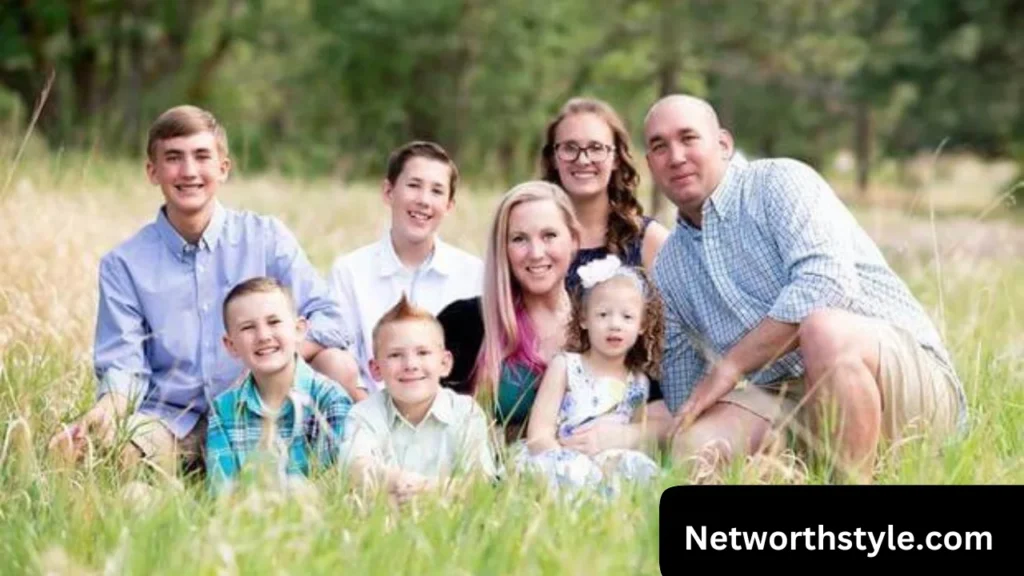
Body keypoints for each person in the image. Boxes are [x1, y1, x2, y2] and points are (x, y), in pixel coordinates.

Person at [642, 94, 967, 482]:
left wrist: (731, 367)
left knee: (824, 330)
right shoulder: (670, 267)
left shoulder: (779, 183)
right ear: (650, 165)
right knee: (695, 446)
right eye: (660, 146)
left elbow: (826, 285)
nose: (675, 156)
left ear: (724, 144)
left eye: (688, 138)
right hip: (794, 400)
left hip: (901, 383)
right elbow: (689, 393)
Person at [47, 105, 360, 478]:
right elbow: (125, 364)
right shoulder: (124, 265)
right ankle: (168, 484)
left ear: (223, 168)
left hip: (264, 406)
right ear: (153, 171)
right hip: (174, 417)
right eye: (174, 158)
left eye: (201, 156)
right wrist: (108, 408)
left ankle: (335, 467)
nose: (189, 171)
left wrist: (269, 356)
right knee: (115, 454)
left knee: (337, 364)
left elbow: (330, 317)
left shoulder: (266, 238)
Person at [437, 181, 670, 452]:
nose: (536, 253)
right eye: (519, 239)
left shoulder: (606, 321)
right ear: (503, 248)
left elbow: (664, 416)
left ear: (573, 240)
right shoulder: (465, 324)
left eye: (549, 236)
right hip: (498, 481)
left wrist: (625, 436)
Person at [328, 141, 483, 394]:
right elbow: (344, 359)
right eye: (413, 186)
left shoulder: (473, 273)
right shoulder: (350, 271)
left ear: (449, 205)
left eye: (436, 191)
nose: (423, 200)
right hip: (369, 414)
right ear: (388, 192)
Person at [514, 254, 664, 494]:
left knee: (642, 469)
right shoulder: (566, 366)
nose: (615, 324)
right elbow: (539, 434)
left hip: (609, 468)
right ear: (584, 319)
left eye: (627, 317)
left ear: (642, 326)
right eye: (603, 314)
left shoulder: (638, 382)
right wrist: (561, 461)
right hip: (562, 460)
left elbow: (634, 439)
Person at [338, 294, 498, 504]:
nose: (410, 364)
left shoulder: (465, 412)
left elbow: (480, 482)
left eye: (423, 353)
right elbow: (356, 467)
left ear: (445, 363)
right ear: (376, 369)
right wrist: (400, 482)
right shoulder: (364, 414)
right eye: (395, 355)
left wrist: (424, 489)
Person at [205, 277, 353, 495]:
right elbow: (222, 492)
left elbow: (335, 488)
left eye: (274, 322)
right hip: (249, 523)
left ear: (299, 329)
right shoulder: (223, 409)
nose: (263, 336)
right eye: (247, 327)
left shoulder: (330, 400)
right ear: (231, 345)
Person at [539, 97, 670, 295]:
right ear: (554, 158)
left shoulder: (649, 241)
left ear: (616, 158)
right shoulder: (531, 239)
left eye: (596, 148)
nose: (583, 160)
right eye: (569, 148)